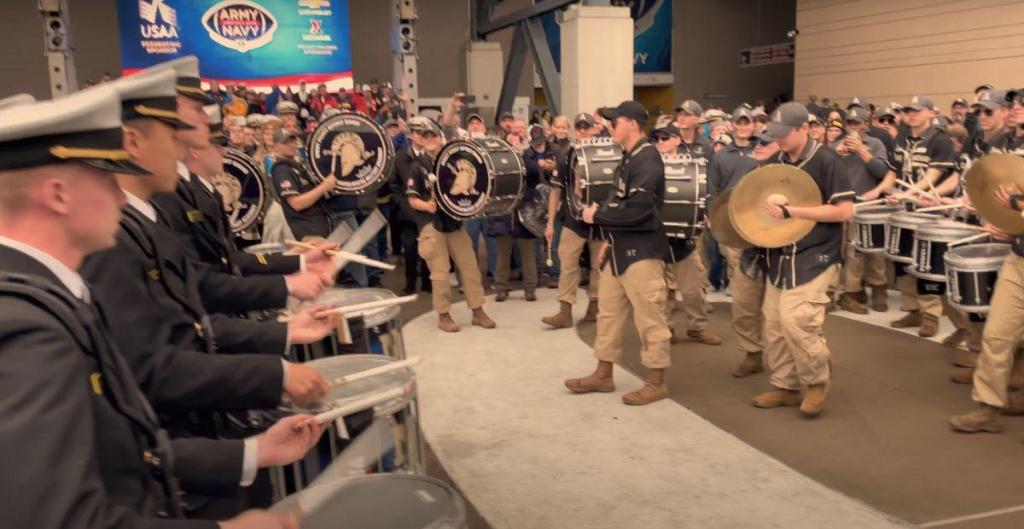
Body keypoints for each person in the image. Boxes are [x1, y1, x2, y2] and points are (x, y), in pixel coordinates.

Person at [0, 84, 324, 529]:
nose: (119, 197)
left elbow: (116, 448)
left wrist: (253, 451)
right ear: (58, 196)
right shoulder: (24, 327)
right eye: (106, 179)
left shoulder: (45, 294)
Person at [564, 100, 673, 406]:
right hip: (620, 249)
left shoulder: (647, 160)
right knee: (608, 315)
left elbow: (637, 210)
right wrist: (608, 243)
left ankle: (656, 382)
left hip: (642, 253)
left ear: (634, 124)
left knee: (650, 318)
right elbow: (618, 202)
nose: (610, 126)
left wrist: (597, 217)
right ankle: (603, 374)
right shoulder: (629, 158)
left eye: (616, 121)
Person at [752, 102, 855, 417]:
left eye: (784, 134)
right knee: (773, 323)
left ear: (804, 129)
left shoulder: (826, 160)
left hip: (817, 253)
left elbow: (844, 210)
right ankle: (785, 384)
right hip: (780, 254)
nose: (778, 140)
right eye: (775, 134)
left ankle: (816, 380)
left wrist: (793, 211)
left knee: (797, 321)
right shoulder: (778, 161)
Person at [404, 116, 496, 332]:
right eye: (425, 136)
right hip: (431, 225)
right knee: (440, 273)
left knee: (470, 268)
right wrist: (428, 206)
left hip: (454, 224)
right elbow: (412, 199)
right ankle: (444, 314)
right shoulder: (417, 166)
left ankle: (477, 310)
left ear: (440, 137)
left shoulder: (454, 160)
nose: (430, 139)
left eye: (433, 135)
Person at [889, 96, 957, 338]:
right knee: (902, 261)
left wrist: (907, 194)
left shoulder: (940, 140)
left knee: (925, 262)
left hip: (927, 210)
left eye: (917, 111)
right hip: (903, 208)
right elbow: (894, 171)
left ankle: (931, 314)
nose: (912, 114)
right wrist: (888, 192)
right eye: (908, 110)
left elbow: (934, 175)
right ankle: (912, 308)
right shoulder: (901, 137)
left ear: (930, 113)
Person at [707, 106, 768, 376]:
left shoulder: (768, 151)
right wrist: (712, 216)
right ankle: (753, 353)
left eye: (748, 122)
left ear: (755, 125)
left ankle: (779, 353)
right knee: (743, 299)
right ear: (732, 125)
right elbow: (714, 192)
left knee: (774, 304)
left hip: (769, 230)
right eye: (739, 121)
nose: (744, 126)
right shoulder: (722, 156)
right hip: (735, 229)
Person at [651, 122, 721, 346]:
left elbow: (704, 193)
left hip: (686, 238)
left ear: (677, 140)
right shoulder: (649, 167)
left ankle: (698, 327)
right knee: (661, 291)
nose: (660, 143)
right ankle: (667, 328)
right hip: (658, 238)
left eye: (665, 138)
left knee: (692, 289)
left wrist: (705, 214)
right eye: (657, 139)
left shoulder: (694, 166)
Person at [541, 113, 603, 328]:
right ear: (575, 130)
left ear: (594, 129)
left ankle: (595, 307)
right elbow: (555, 190)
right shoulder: (567, 155)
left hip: (599, 221)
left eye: (587, 127)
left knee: (598, 265)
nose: (583, 131)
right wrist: (550, 223)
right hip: (573, 219)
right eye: (580, 127)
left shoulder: (605, 155)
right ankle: (565, 310)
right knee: (567, 263)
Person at [832, 107, 894, 314]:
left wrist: (861, 150)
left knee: (876, 252)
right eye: (850, 123)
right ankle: (851, 293)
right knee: (853, 251)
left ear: (867, 123)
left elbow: (882, 171)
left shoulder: (875, 144)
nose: (854, 127)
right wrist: (835, 154)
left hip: (870, 205)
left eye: (858, 123)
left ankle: (879, 289)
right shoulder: (836, 144)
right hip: (847, 203)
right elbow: (826, 172)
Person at [491, 126, 547, 301]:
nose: (515, 139)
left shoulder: (528, 155)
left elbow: (535, 176)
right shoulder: (497, 157)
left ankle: (530, 287)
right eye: (512, 136)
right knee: (503, 252)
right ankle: (501, 287)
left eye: (518, 136)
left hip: (526, 209)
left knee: (528, 252)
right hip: (503, 210)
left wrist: (521, 153)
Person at [271, 128, 336, 241]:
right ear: (276, 147)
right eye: (286, 142)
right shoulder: (282, 170)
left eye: (293, 141)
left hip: (318, 226)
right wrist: (323, 187)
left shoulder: (297, 166)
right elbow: (296, 203)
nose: (292, 145)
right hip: (308, 232)